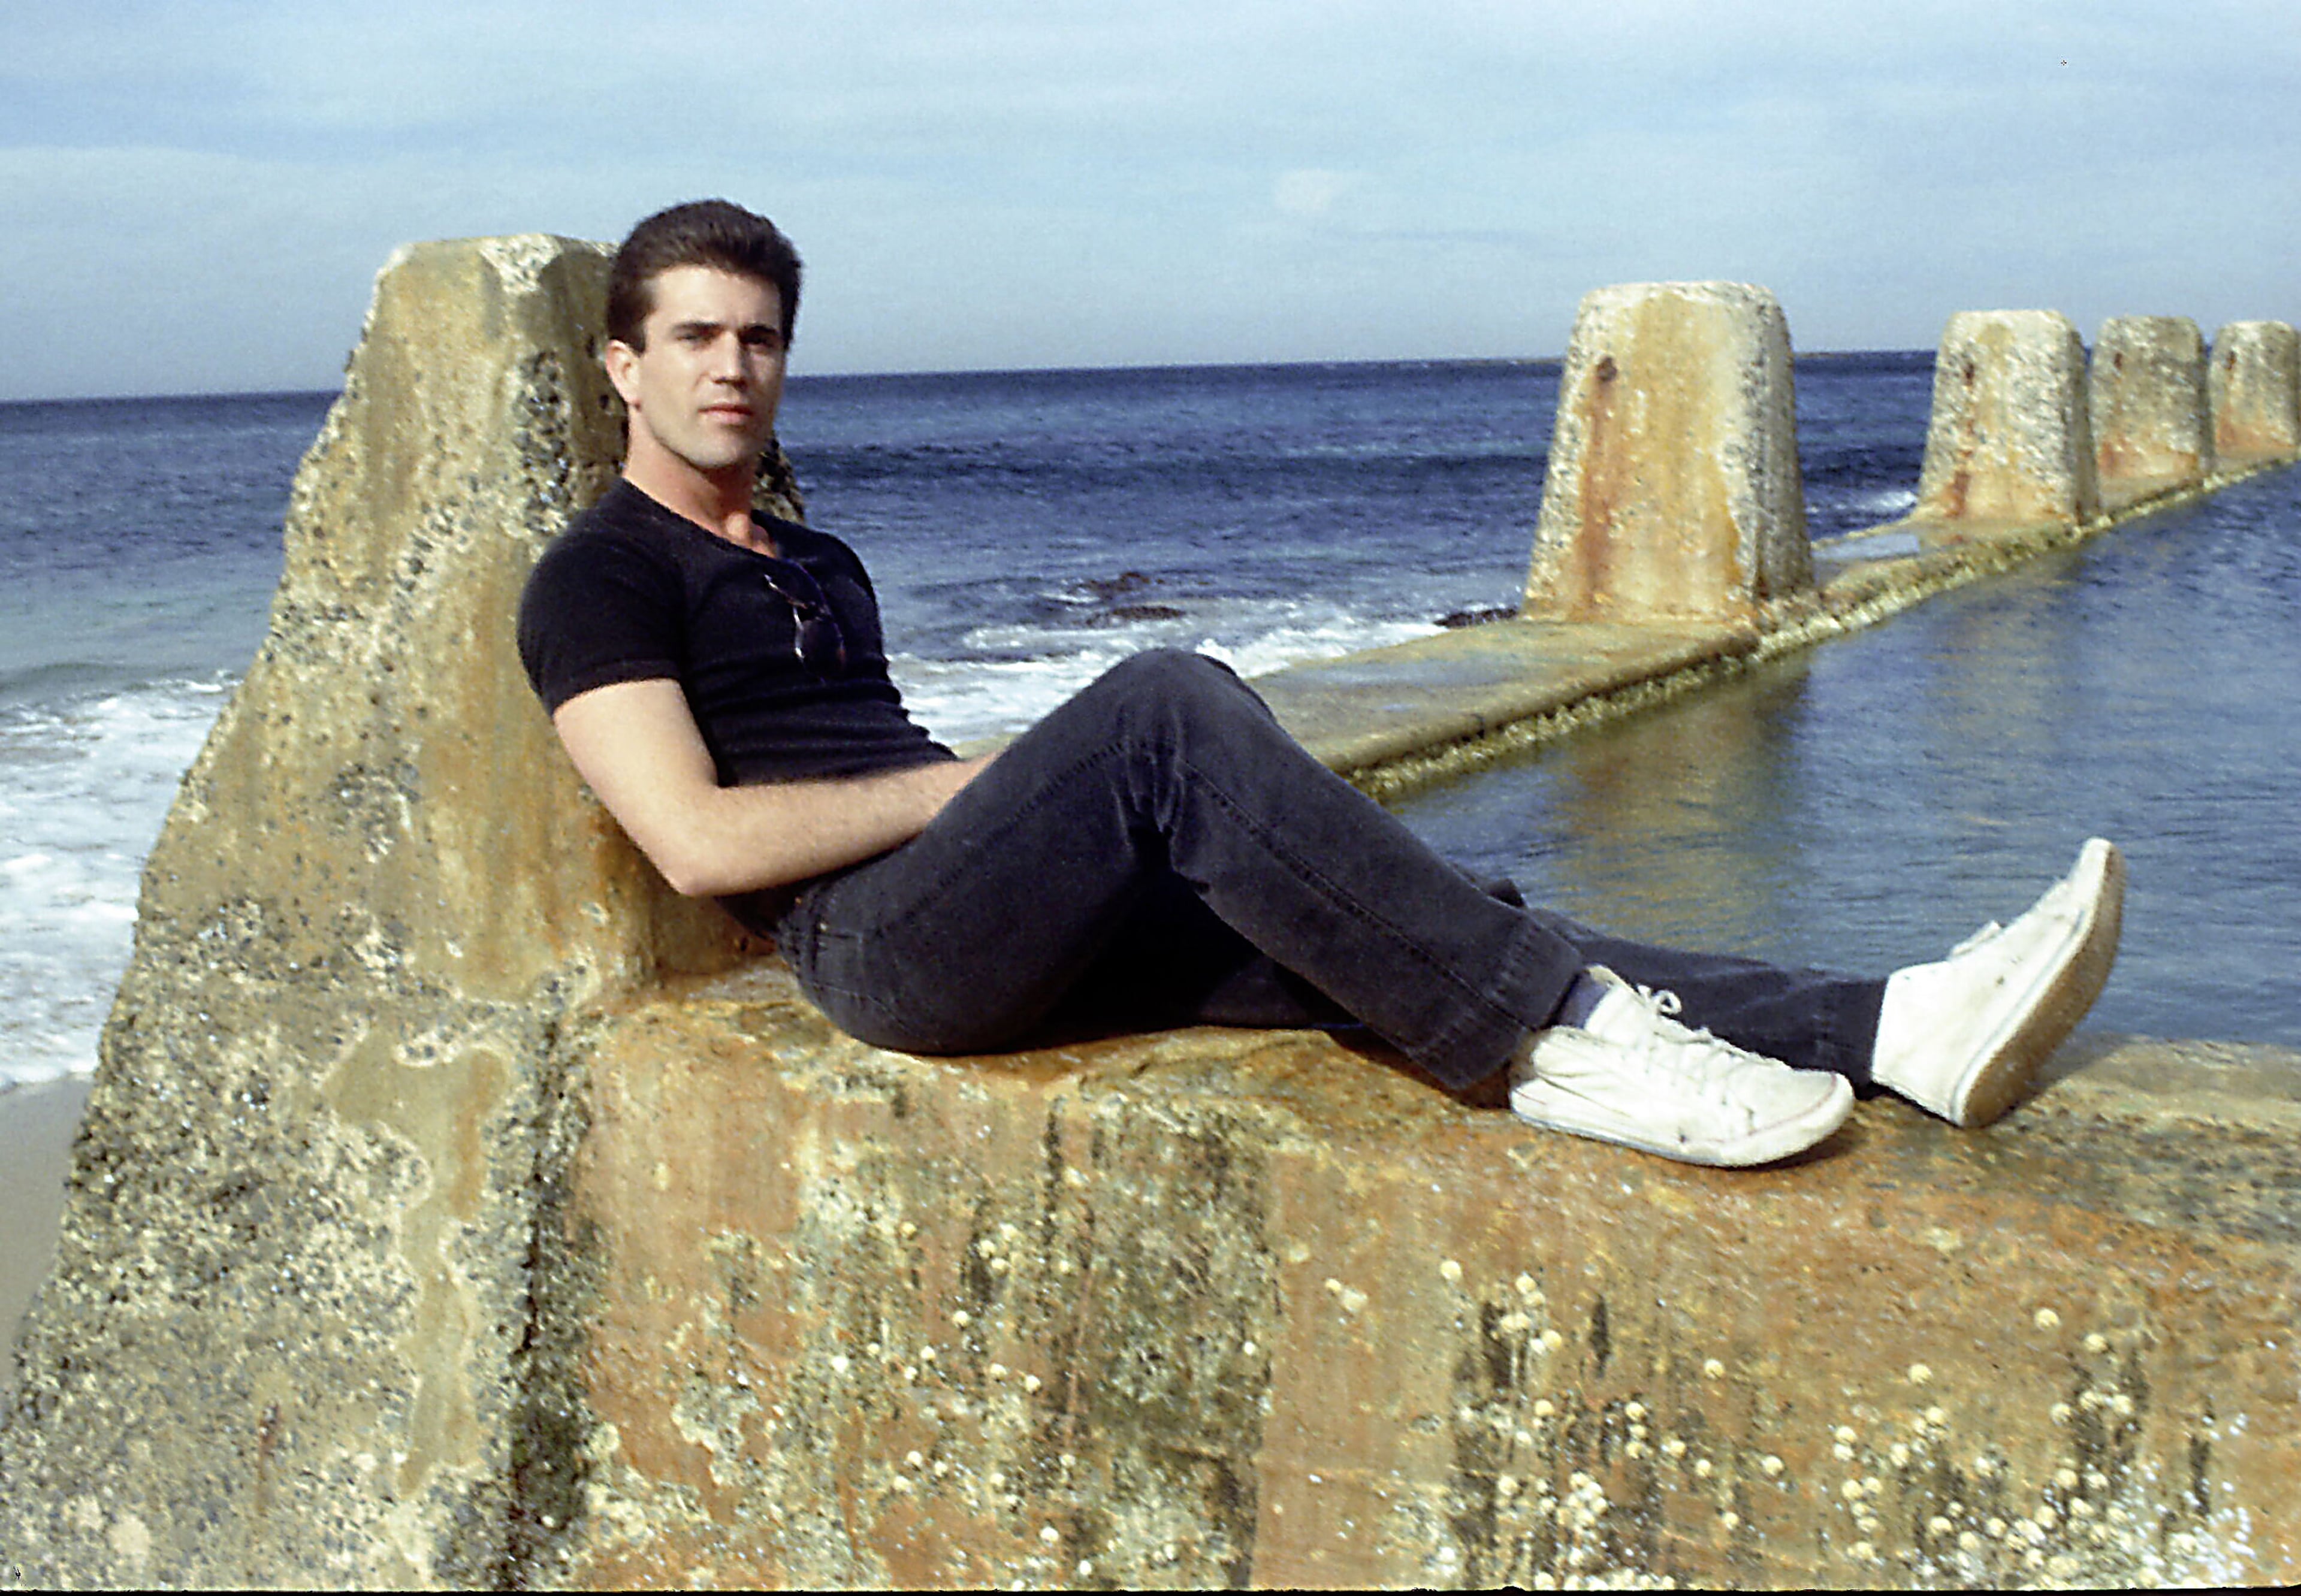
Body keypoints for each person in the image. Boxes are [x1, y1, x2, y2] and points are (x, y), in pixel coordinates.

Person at [517, 200, 2125, 1169]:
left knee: (1427, 909)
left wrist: (989, 810)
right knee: (1160, 701)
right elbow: (697, 845)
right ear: (624, 364)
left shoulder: (817, 559)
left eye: (763, 340)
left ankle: (1896, 1025)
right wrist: (965, 788)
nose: (736, 369)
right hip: (880, 958)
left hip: (978, 902)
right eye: (701, 338)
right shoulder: (601, 576)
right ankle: (1553, 1052)